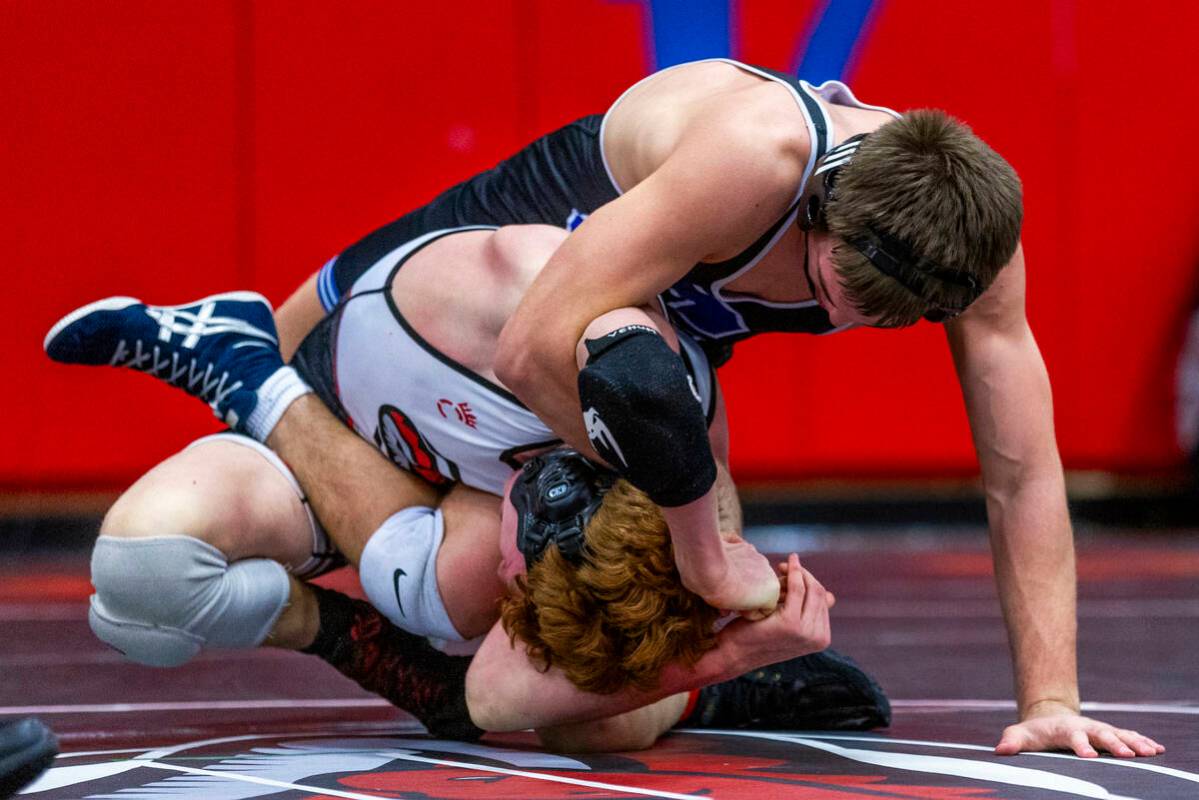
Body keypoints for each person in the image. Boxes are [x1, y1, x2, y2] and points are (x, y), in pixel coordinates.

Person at [264, 57, 1159, 759]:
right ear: (821, 206)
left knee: (589, 719)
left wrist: (1050, 701)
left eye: (888, 318)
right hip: (531, 287)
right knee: (278, 358)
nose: (842, 318)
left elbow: (1022, 475)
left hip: (654, 365)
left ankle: (708, 683)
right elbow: (530, 348)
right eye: (835, 288)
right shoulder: (752, 158)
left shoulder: (975, 251)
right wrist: (698, 530)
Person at [45, 223, 887, 750]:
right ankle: (248, 369)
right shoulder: (543, 329)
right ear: (558, 496)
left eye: (514, 595)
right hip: (344, 416)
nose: (504, 591)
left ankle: (691, 692)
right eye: (518, 583)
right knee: (142, 584)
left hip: (437, 472)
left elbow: (488, 697)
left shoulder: (569, 525)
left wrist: (727, 645)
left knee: (588, 721)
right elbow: (483, 693)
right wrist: (726, 644)